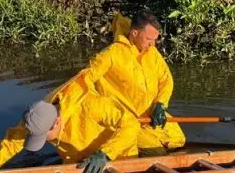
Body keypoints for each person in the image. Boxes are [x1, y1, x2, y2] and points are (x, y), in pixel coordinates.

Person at [0, 72, 140, 173]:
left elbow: (131, 124)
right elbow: (15, 140)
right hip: (78, 160)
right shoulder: (38, 115)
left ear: (57, 122)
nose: (45, 141)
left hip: (118, 156)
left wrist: (105, 154)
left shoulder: (90, 106)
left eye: (44, 137)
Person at [78, 11, 185, 155]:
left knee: (178, 140)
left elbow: (166, 80)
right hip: (129, 121)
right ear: (134, 33)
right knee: (156, 152)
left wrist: (160, 104)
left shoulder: (152, 53)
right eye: (149, 39)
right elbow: (84, 80)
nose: (153, 44)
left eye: (155, 40)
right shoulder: (111, 54)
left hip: (150, 115)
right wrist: (100, 109)